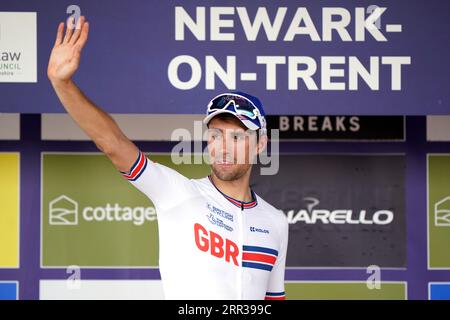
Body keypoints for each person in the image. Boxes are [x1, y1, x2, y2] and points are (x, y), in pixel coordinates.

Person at [47, 16, 288, 300]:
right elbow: (112, 144)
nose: (223, 147)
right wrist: (62, 84)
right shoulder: (179, 193)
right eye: (215, 135)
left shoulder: (275, 222)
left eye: (236, 137)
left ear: (260, 145)